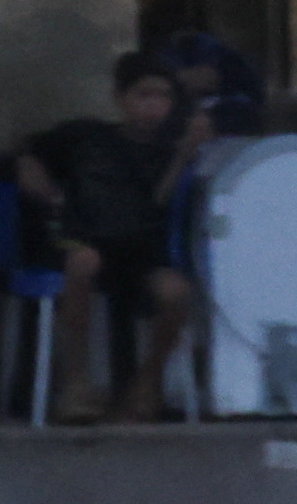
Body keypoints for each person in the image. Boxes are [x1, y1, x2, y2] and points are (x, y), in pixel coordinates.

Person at [17, 51, 208, 422]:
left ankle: (148, 382)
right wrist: (34, 174)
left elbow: (158, 201)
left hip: (140, 252)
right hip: (85, 241)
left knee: (176, 291)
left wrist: (183, 157)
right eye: (144, 95)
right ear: (120, 98)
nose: (154, 106)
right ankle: (76, 382)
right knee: (83, 261)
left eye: (164, 97)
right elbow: (28, 147)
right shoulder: (86, 136)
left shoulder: (166, 151)